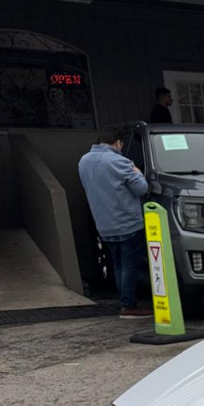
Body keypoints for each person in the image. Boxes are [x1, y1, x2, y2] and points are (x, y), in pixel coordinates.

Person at [78, 126, 150, 318]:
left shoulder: (84, 161)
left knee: (118, 264)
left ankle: (124, 301)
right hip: (127, 222)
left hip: (103, 223)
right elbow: (141, 189)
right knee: (130, 265)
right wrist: (136, 171)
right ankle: (129, 305)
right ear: (118, 143)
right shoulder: (120, 161)